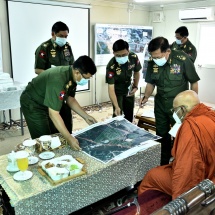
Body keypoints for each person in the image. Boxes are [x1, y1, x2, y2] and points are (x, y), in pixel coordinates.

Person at [138, 90, 215, 199]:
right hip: (211, 173)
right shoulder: (210, 114)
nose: (174, 114)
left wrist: (182, 200)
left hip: (201, 182)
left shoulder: (189, 128)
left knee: (151, 175)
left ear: (182, 109)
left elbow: (186, 171)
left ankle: (148, 207)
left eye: (175, 110)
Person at [140, 36, 200, 165]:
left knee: (182, 135)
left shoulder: (182, 59)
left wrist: (193, 104)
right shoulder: (152, 62)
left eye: (157, 56)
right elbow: (150, 83)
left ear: (167, 51)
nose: (155, 60)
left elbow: (194, 82)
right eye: (153, 57)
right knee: (161, 135)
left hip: (180, 108)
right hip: (160, 104)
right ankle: (163, 163)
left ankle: (182, 163)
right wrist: (145, 96)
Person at [20, 56, 97, 150]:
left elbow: (70, 99)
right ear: (77, 72)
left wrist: (86, 116)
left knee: (55, 134)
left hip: (47, 101)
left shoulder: (72, 77)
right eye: (86, 78)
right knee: (44, 139)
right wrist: (69, 138)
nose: (86, 81)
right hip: (33, 103)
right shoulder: (58, 79)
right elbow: (53, 113)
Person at [34, 21, 75, 134]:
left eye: (66, 36)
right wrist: (54, 76)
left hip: (65, 89)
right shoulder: (44, 48)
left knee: (67, 120)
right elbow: (37, 70)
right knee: (53, 123)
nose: (64, 39)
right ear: (53, 34)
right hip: (51, 90)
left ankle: (68, 140)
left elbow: (72, 66)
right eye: (61, 36)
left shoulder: (67, 47)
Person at [106, 39, 142, 122]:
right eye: (118, 55)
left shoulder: (133, 57)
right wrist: (116, 106)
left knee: (129, 113)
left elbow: (137, 72)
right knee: (118, 114)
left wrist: (135, 86)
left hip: (129, 88)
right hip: (117, 90)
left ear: (128, 51)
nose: (121, 57)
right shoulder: (111, 65)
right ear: (113, 53)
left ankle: (128, 132)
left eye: (124, 54)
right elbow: (111, 88)